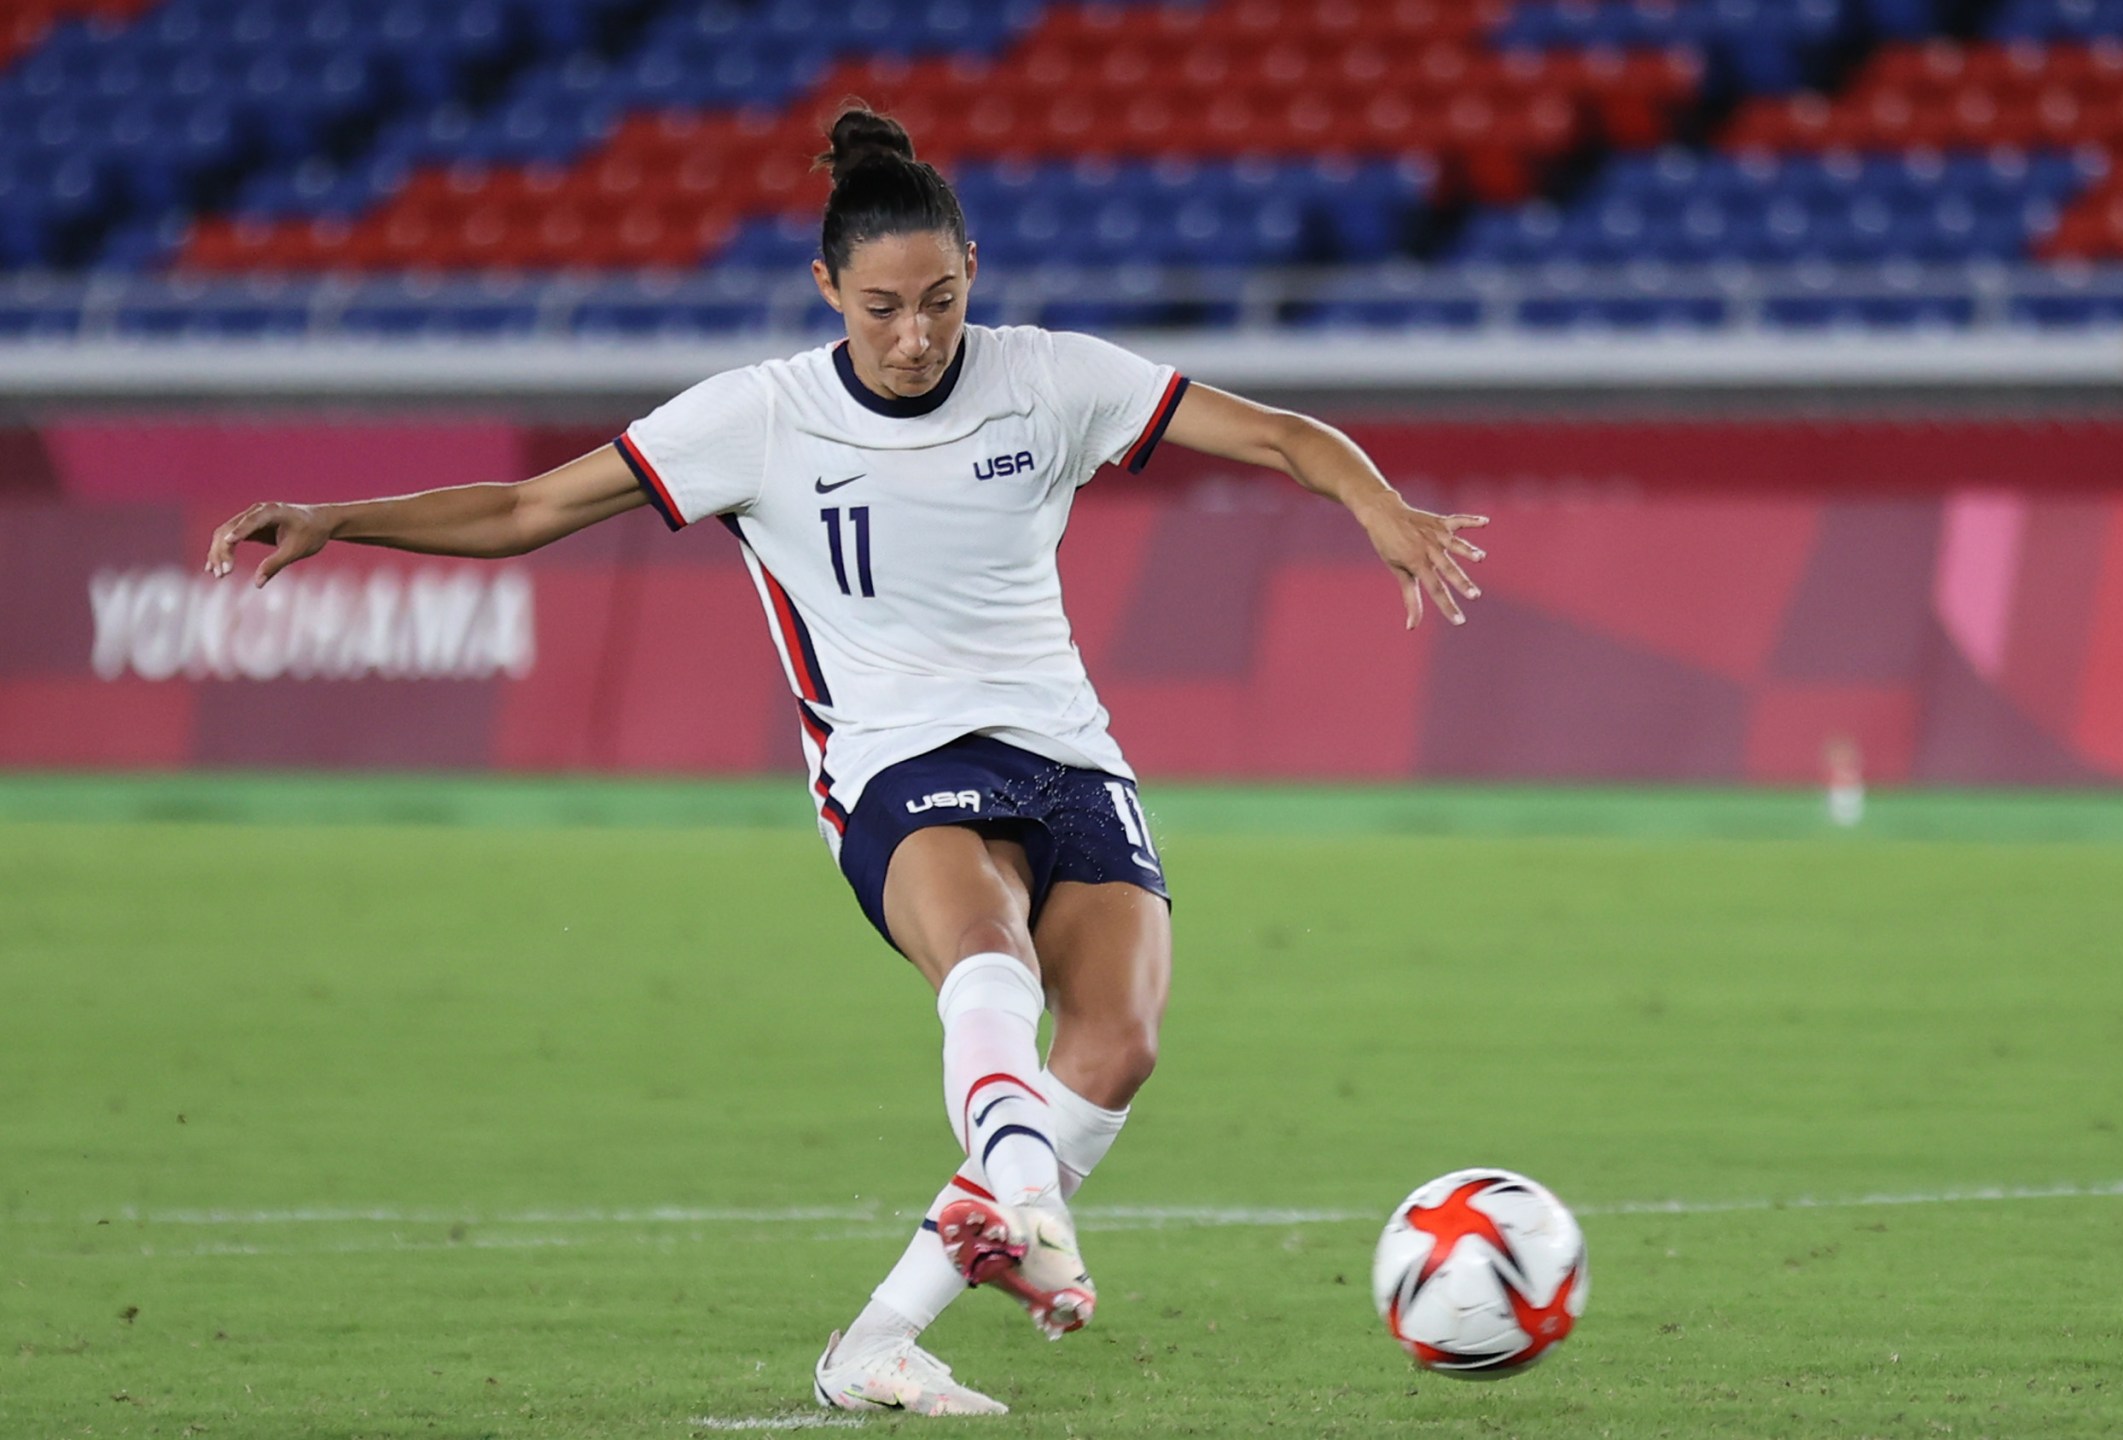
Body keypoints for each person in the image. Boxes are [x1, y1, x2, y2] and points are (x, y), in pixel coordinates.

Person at [203, 104, 1488, 1418]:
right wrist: (341, 517)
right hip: (886, 759)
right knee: (989, 957)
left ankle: (875, 1342)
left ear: (972, 270)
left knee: (1117, 1041)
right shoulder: (756, 419)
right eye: (882, 308)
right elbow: (532, 507)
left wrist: (1377, 504)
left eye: (939, 300)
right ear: (827, 290)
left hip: (1064, 751)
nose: (917, 335)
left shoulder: (1048, 379)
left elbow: (1278, 432)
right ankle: (1031, 1211)